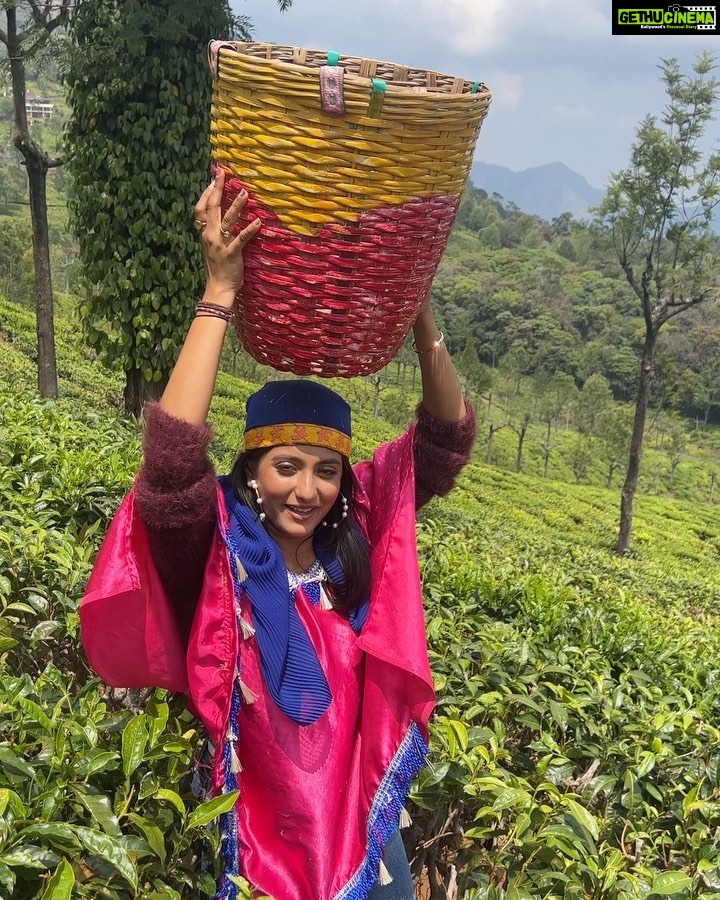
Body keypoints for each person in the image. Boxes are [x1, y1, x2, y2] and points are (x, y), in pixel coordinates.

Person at [80, 170, 477, 900]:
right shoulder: (217, 545)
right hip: (255, 827)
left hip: (354, 822)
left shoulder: (350, 534)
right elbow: (170, 460)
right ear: (253, 469)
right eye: (286, 466)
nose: (307, 490)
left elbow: (444, 441)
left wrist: (418, 314)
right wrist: (221, 291)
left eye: (326, 470)